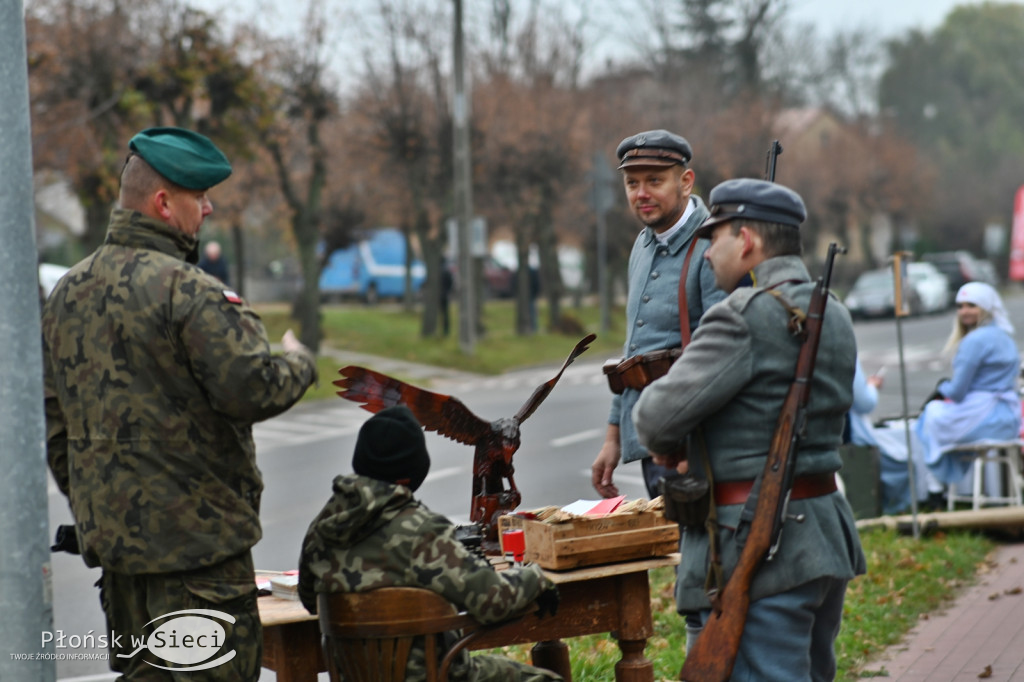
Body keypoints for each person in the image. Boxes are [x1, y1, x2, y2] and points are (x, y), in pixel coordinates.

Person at [41, 126, 318, 681]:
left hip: (121, 570)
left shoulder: (67, 294)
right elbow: (252, 386)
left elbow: (58, 434)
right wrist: (300, 361)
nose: (210, 208)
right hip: (199, 566)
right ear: (164, 203)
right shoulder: (187, 292)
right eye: (199, 196)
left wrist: (106, 516)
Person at [633, 178, 866, 681]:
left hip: (756, 546)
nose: (707, 253)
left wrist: (683, 438)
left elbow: (652, 418)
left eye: (714, 238)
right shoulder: (837, 314)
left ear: (746, 241)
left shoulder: (742, 316)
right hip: (822, 532)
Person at [298, 406, 562, 682]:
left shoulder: (321, 531)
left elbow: (310, 601)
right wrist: (535, 578)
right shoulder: (422, 531)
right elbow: (492, 600)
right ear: (409, 475)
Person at [591, 129, 726, 501]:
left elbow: (723, 355)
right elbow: (634, 348)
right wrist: (613, 438)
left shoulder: (714, 245)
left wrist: (691, 447)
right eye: (632, 183)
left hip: (695, 443)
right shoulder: (643, 242)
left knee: (700, 555)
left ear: (685, 181)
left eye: (654, 180)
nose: (641, 194)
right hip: (653, 439)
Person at [915, 282, 1021, 489]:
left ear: (986, 308)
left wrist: (941, 388)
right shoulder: (1006, 337)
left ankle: (935, 487)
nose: (964, 311)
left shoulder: (974, 341)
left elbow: (956, 393)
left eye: (971, 305)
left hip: (984, 418)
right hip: (1009, 419)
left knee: (929, 414)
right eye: (960, 306)